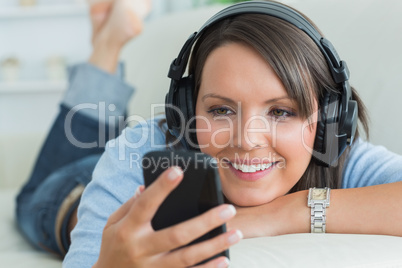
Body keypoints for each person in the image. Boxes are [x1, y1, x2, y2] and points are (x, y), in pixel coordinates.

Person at [17, 1, 402, 268]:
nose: (247, 139)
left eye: (281, 112)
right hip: (69, 195)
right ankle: (106, 46)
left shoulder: (334, 152)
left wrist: (286, 213)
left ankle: (107, 41)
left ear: (327, 120)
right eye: (221, 110)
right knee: (35, 191)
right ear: (187, 111)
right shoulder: (137, 153)